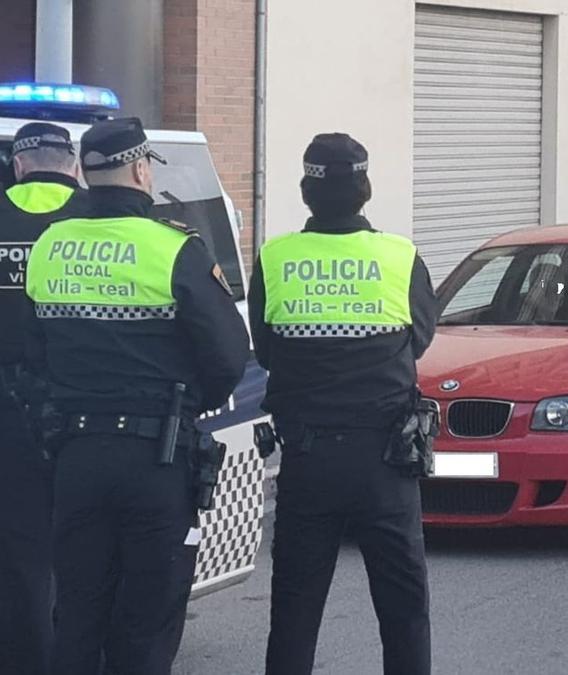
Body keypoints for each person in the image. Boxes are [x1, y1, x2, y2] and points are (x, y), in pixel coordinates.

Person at [22, 117, 249, 675]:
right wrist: (189, 401)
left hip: (74, 456)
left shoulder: (52, 244)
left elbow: (32, 348)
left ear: (85, 174)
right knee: (146, 618)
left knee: (77, 611)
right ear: (143, 169)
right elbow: (228, 356)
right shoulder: (174, 248)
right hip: (156, 456)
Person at [250, 133, 437, 675]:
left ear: (306, 191)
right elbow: (419, 339)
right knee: (404, 610)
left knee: (294, 611)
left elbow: (265, 349)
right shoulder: (399, 256)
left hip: (308, 459)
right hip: (387, 459)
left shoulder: (277, 257)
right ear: (365, 188)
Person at [0, 123, 88, 675]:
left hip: (9, 414)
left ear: (18, 167)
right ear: (74, 166)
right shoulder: (104, 221)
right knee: (92, 552)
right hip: (92, 412)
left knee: (22, 553)